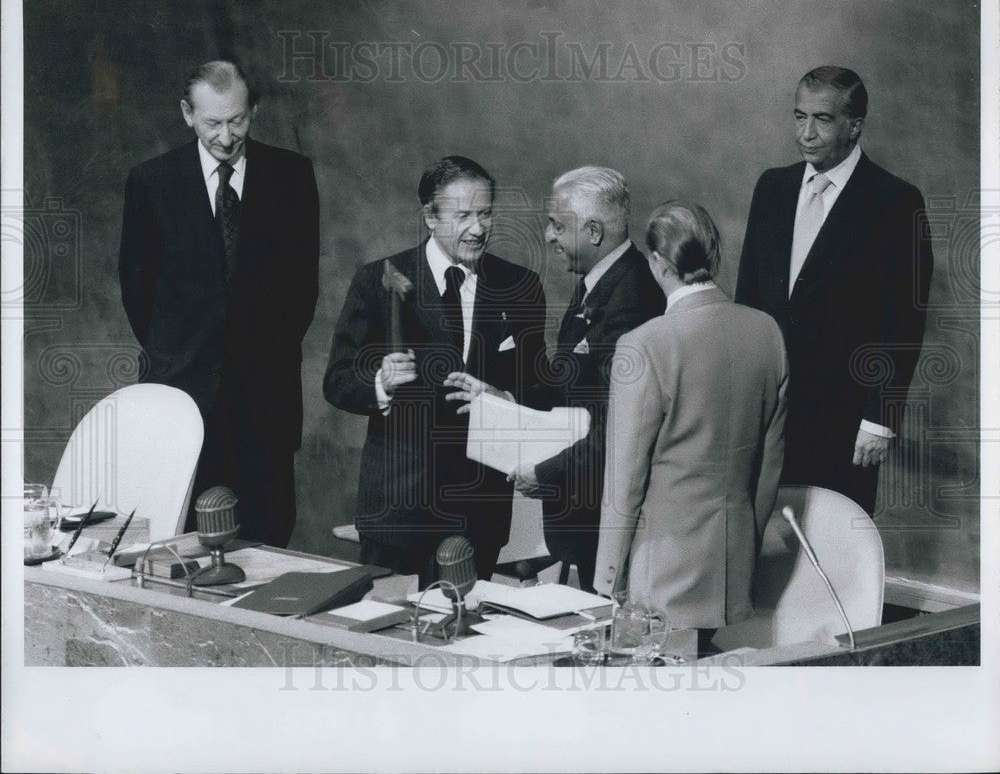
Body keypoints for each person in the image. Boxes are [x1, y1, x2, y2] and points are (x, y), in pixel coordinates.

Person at [119, 60, 319, 547]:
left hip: (265, 405)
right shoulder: (152, 182)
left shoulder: (291, 175)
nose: (226, 136)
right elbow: (137, 290)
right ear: (187, 114)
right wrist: (186, 355)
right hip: (183, 400)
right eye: (212, 123)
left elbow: (301, 290)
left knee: (268, 540)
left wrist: (259, 356)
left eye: (238, 120)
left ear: (254, 109)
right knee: (182, 545)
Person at [324, 156, 548, 584]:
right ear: (429, 215)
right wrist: (380, 384)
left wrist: (503, 399)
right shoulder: (379, 280)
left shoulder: (520, 286)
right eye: (463, 215)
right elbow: (336, 381)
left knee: (464, 637)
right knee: (388, 637)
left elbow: (539, 388)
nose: (478, 228)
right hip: (397, 508)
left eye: (485, 214)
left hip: (478, 512)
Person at [735, 66, 934, 515]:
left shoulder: (896, 202)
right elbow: (746, 299)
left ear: (854, 127)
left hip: (843, 418)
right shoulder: (773, 187)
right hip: (766, 407)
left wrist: (880, 419)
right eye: (798, 116)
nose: (805, 133)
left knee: (829, 544)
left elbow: (903, 320)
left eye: (821, 120)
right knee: (758, 537)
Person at [593, 202, 787, 631]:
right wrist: (745, 548)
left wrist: (608, 575)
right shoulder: (767, 332)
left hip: (660, 567)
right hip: (732, 564)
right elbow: (769, 467)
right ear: (713, 256)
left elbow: (624, 478)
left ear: (658, 263)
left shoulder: (644, 345)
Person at [508, 167, 664, 591]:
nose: (547, 236)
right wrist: (504, 395)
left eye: (558, 225)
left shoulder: (634, 296)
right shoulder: (600, 282)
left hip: (604, 519)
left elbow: (619, 427)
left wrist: (546, 473)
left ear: (593, 232)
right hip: (584, 516)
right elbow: (571, 386)